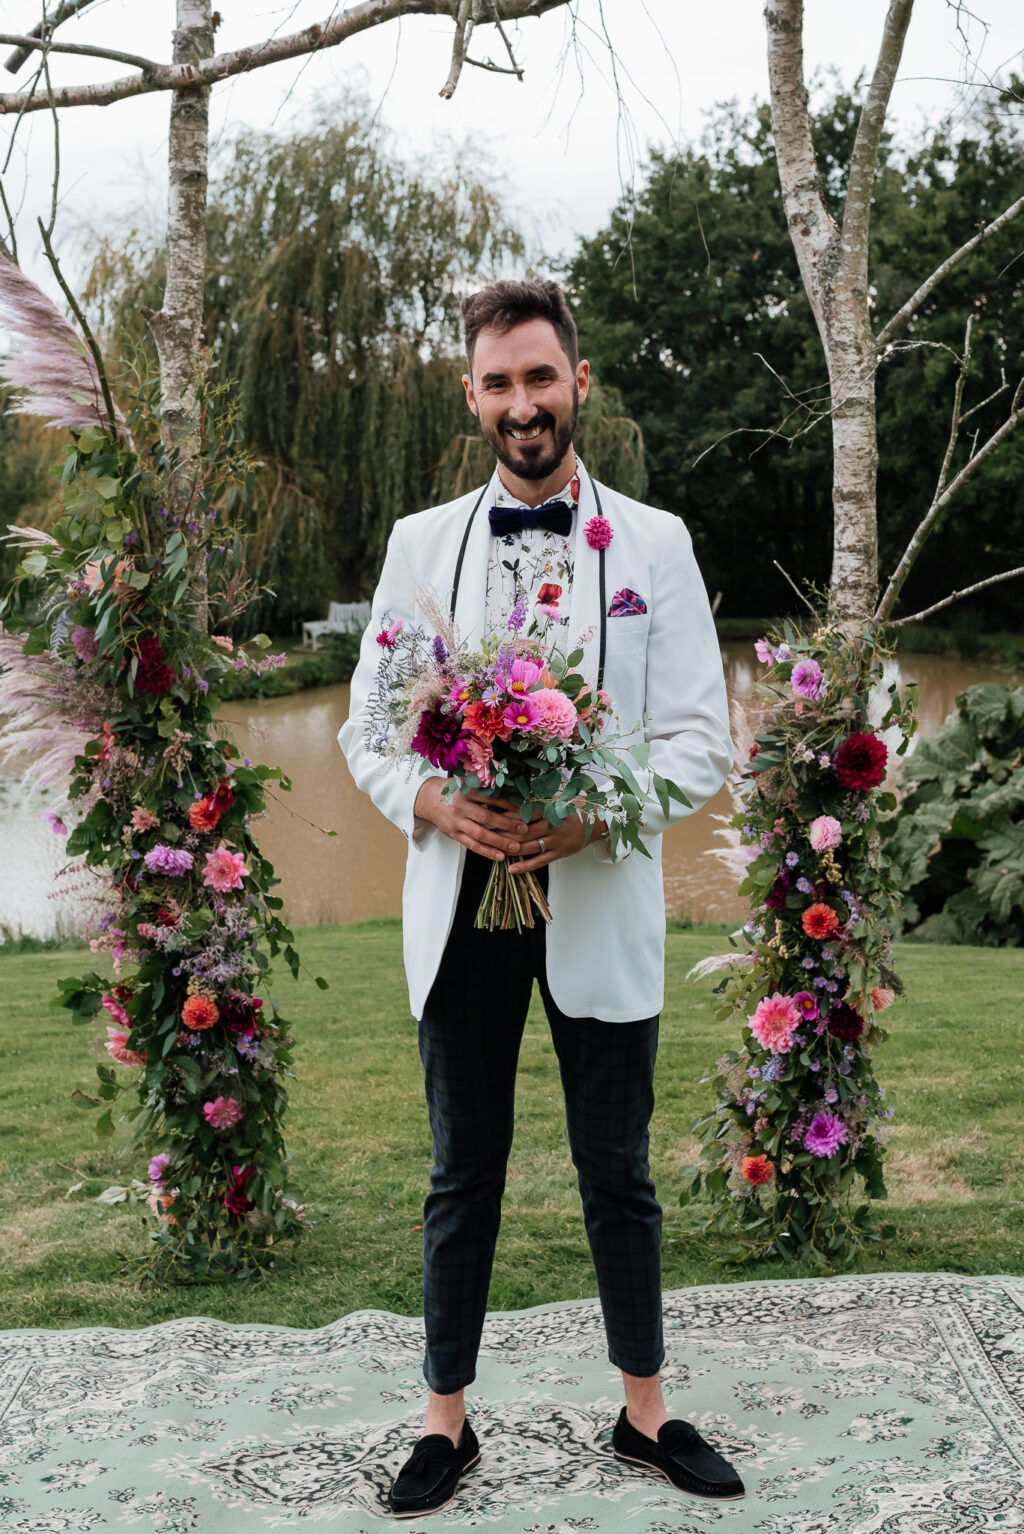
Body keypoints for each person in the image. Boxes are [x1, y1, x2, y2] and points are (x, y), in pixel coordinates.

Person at [338, 278, 742, 1518]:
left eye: (542, 378)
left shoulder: (657, 543)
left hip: (597, 899)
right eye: (500, 384)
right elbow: (368, 731)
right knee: (464, 1169)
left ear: (580, 384)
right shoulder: (420, 544)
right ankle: (444, 1423)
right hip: (462, 904)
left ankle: (645, 1412)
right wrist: (437, 803)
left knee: (615, 1167)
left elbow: (699, 742)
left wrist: (590, 812)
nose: (524, 404)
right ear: (472, 396)